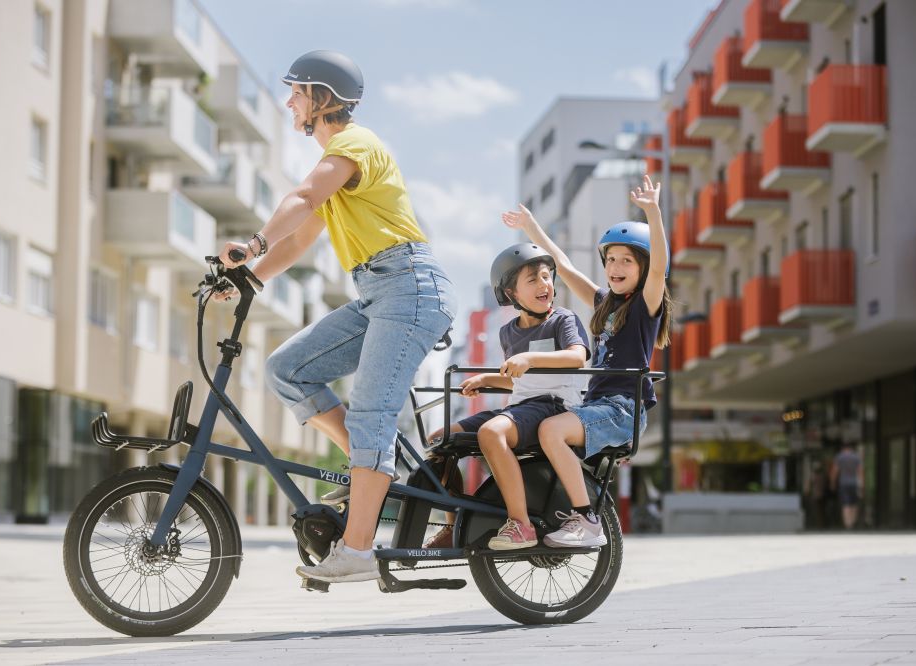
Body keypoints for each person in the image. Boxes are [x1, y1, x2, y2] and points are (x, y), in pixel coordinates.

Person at [217, 51, 456, 583]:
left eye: (297, 93)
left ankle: (358, 548)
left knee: (372, 415)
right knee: (287, 369)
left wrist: (253, 243)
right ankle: (370, 468)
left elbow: (302, 199)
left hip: (410, 287)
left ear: (323, 99)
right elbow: (302, 235)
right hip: (378, 290)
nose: (289, 103)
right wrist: (250, 277)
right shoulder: (335, 167)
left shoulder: (354, 144)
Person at [502, 174, 673, 548]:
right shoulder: (603, 304)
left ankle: (587, 520)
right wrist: (531, 226)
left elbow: (660, 266)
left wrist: (653, 213)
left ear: (643, 269)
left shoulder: (645, 308)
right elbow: (562, 265)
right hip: (596, 405)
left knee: (551, 430)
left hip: (623, 408)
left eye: (627, 260)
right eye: (611, 259)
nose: (616, 266)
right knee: (538, 428)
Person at [423, 244, 590, 550]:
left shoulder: (563, 320)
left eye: (546, 276)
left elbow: (577, 357)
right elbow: (520, 380)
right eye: (533, 279)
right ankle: (452, 524)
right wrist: (488, 379)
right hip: (522, 406)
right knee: (439, 440)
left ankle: (521, 524)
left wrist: (529, 359)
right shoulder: (507, 332)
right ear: (512, 294)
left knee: (491, 432)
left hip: (552, 406)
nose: (544, 284)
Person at [830, 444, 863, 529]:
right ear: (851, 448)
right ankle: (853, 521)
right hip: (854, 483)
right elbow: (860, 471)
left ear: (843, 448)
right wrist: (862, 484)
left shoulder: (839, 457)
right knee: (854, 503)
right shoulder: (856, 457)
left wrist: (832, 482)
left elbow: (835, 471)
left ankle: (847, 523)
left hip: (843, 483)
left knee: (846, 504)